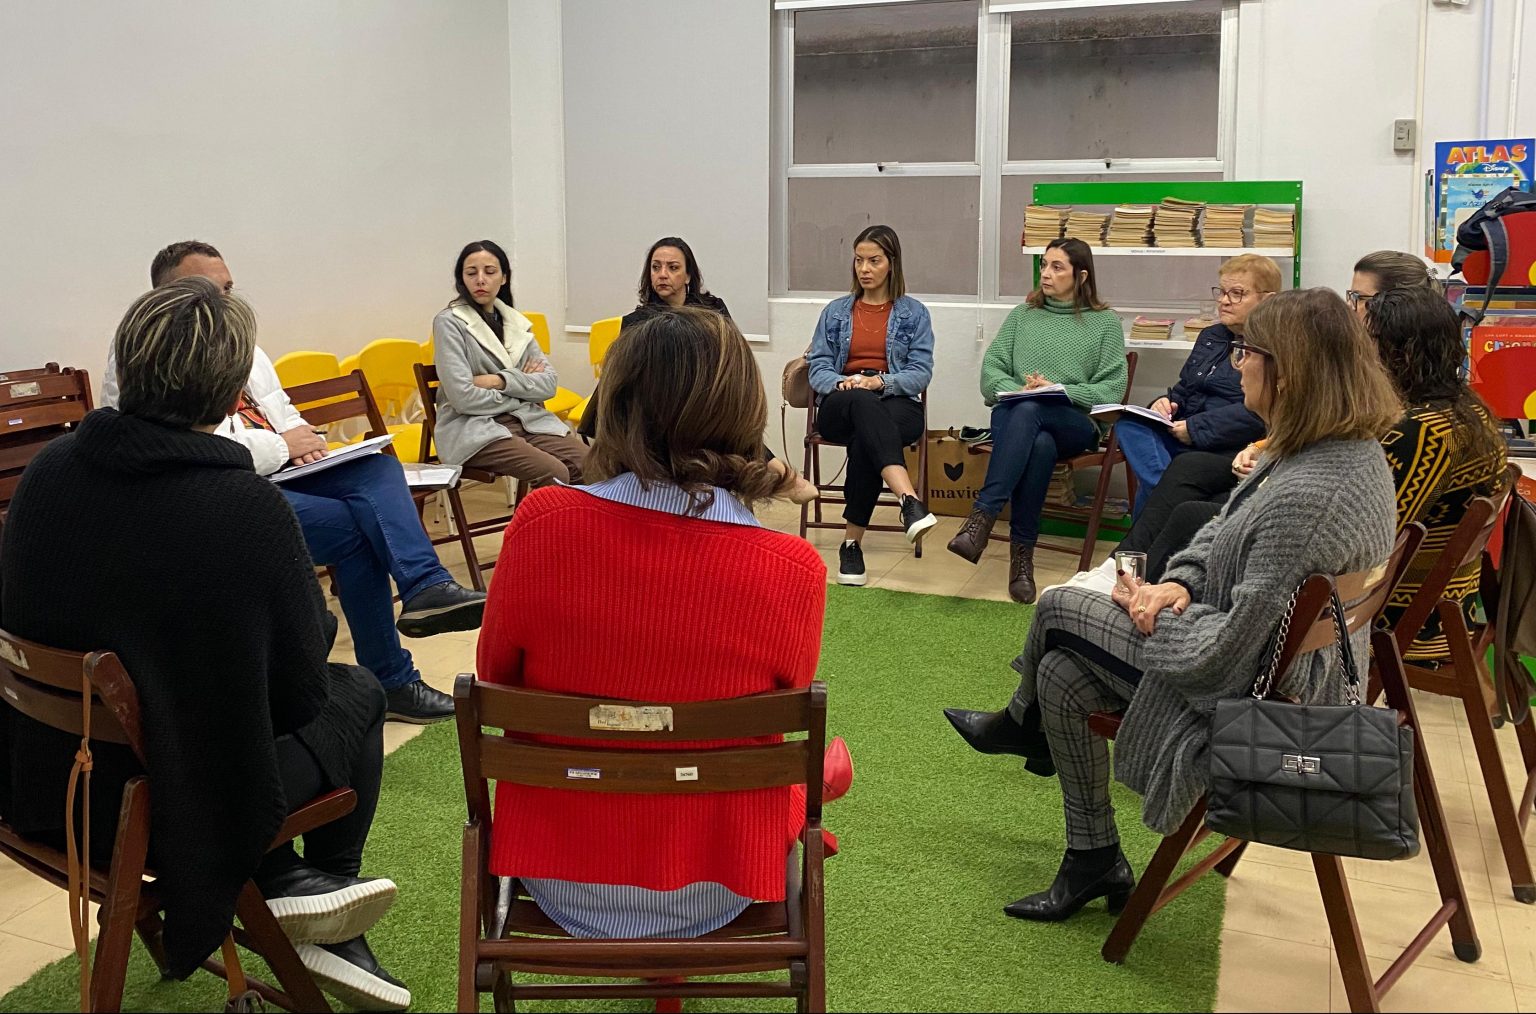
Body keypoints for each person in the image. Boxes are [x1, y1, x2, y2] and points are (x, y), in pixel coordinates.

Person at [2, 278, 409, 1010]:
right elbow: (298, 693)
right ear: (230, 396)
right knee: (356, 692)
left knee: (221, 695)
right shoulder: (241, 506)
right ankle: (317, 896)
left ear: (128, 364)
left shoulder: (48, 472)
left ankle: (297, 889)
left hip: (40, 783)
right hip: (158, 810)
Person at [944, 288, 1401, 922]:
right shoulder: (1333, 451)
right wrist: (1179, 584)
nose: (1239, 363)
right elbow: (1222, 528)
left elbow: (1229, 654)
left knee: (1057, 607)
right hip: (1262, 657)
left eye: (1247, 352)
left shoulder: (1309, 491)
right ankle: (1091, 853)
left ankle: (1022, 727)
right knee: (1061, 673)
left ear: (1289, 373)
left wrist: (1161, 616)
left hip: (1253, 692)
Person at [476, 306, 846, 938]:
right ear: (745, 414)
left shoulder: (540, 526)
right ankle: (819, 784)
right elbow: (780, 705)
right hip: (722, 881)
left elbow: (497, 679)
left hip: (559, 870)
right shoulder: (793, 569)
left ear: (616, 408)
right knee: (792, 757)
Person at [102, 241, 480, 724]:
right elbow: (197, 447)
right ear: (167, 297)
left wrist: (309, 443)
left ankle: (426, 586)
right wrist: (284, 446)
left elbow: (283, 413)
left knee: (378, 468)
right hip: (221, 487)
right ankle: (391, 681)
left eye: (229, 289)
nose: (226, 301)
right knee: (357, 532)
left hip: (281, 469)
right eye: (210, 290)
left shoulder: (245, 346)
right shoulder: (147, 351)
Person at [947, 237, 1128, 603]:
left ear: (1081, 276)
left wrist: (1061, 390)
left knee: (1032, 412)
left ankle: (982, 517)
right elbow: (991, 372)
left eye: (1057, 267)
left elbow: (1112, 389)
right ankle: (1022, 561)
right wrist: (1019, 389)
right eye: (1044, 265)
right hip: (1018, 416)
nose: (1046, 273)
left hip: (1074, 423)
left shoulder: (1105, 323)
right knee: (1038, 440)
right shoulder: (1022, 316)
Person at [580, 237, 817, 503]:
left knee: (726, 414)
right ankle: (783, 477)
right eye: (656, 267)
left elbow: (732, 362)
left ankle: (776, 478)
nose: (662, 274)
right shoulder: (638, 322)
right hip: (661, 406)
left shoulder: (713, 311)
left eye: (672, 267)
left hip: (709, 396)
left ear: (688, 275)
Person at [1366, 287, 1509, 658]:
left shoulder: (1421, 432)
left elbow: (1370, 541)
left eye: (1369, 341)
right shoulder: (1467, 409)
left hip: (1405, 621)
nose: (1360, 353)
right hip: (1450, 606)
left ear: (1400, 353)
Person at [806, 224, 938, 586]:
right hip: (841, 402)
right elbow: (818, 366)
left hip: (895, 402)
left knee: (869, 436)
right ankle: (908, 500)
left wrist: (880, 381)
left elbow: (919, 373)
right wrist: (843, 382)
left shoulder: (914, 313)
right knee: (862, 405)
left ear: (892, 263)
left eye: (874, 261)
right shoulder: (836, 312)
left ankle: (851, 546)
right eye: (859, 260)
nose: (864, 268)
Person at [1114, 255, 1272, 516]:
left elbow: (1260, 414)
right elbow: (1185, 389)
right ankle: (1164, 487)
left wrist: (1195, 428)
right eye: (1222, 292)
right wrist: (1164, 404)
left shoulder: (1271, 347)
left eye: (1237, 294)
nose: (1224, 301)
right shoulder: (1211, 336)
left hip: (1229, 446)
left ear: (1267, 299)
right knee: (1129, 423)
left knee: (1168, 477)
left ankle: (1161, 494)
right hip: (1183, 433)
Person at [431, 240, 589, 487]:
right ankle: (546, 515)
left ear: (504, 277)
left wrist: (499, 381)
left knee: (591, 463)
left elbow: (548, 384)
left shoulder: (516, 322)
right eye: (471, 273)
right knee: (553, 471)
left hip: (525, 419)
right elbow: (463, 398)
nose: (480, 280)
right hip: (474, 427)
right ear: (461, 279)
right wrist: (522, 392)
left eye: (490, 272)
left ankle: (575, 515)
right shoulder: (449, 322)